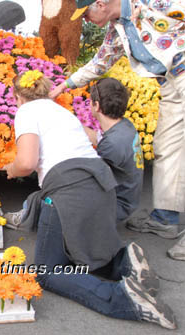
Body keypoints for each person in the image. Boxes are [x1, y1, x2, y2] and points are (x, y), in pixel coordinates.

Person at [2, 70, 176, 329]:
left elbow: (27, 163)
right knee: (77, 255)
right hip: (101, 185)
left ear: (17, 96)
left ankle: (125, 299)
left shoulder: (27, 112)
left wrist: (12, 169)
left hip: (69, 188)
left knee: (48, 273)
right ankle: (125, 264)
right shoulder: (60, 111)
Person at [51, 0, 185, 254]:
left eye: (86, 14)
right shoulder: (118, 28)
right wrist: (63, 86)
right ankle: (166, 218)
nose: (86, 21)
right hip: (169, 82)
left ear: (100, 4)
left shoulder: (153, 2)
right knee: (166, 148)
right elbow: (99, 63)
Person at [84, 78, 144, 224]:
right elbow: (99, 139)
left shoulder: (111, 144)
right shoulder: (125, 126)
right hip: (129, 201)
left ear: (96, 105)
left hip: (116, 206)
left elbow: (93, 183)